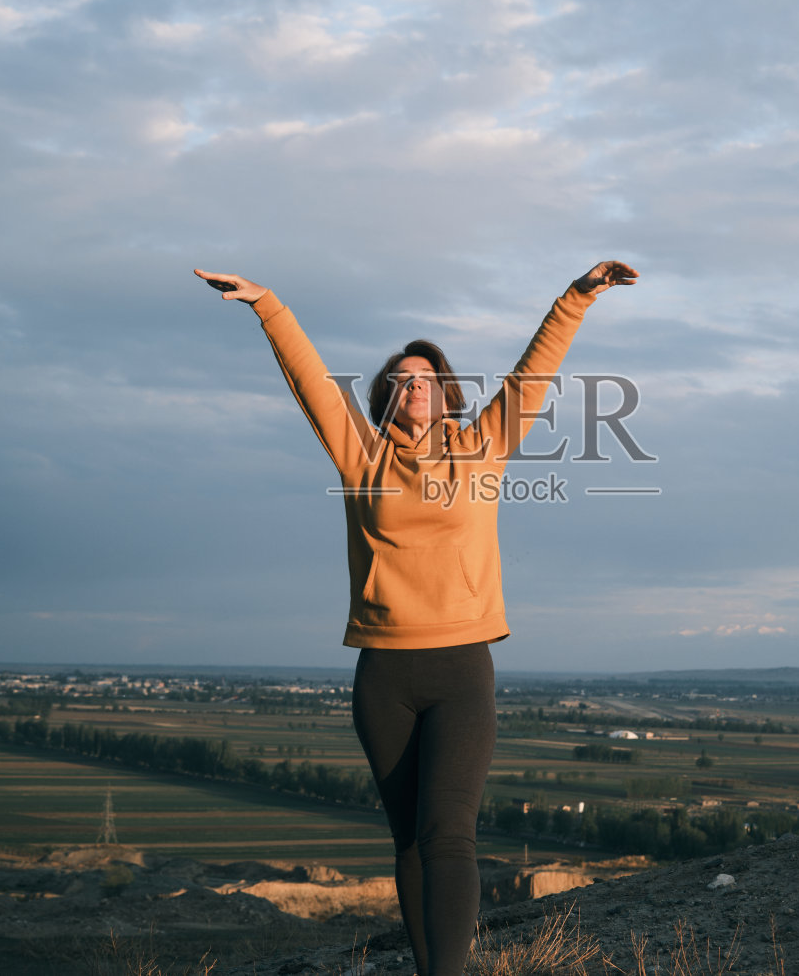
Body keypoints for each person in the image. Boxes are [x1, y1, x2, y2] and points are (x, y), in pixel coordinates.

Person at [193, 261, 639, 976]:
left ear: (446, 392)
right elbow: (310, 381)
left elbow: (533, 374)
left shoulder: (482, 446)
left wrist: (576, 297)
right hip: (384, 675)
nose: (415, 387)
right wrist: (267, 304)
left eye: (427, 377)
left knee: (449, 835)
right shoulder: (358, 453)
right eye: (401, 379)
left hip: (462, 668)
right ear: (384, 397)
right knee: (407, 839)